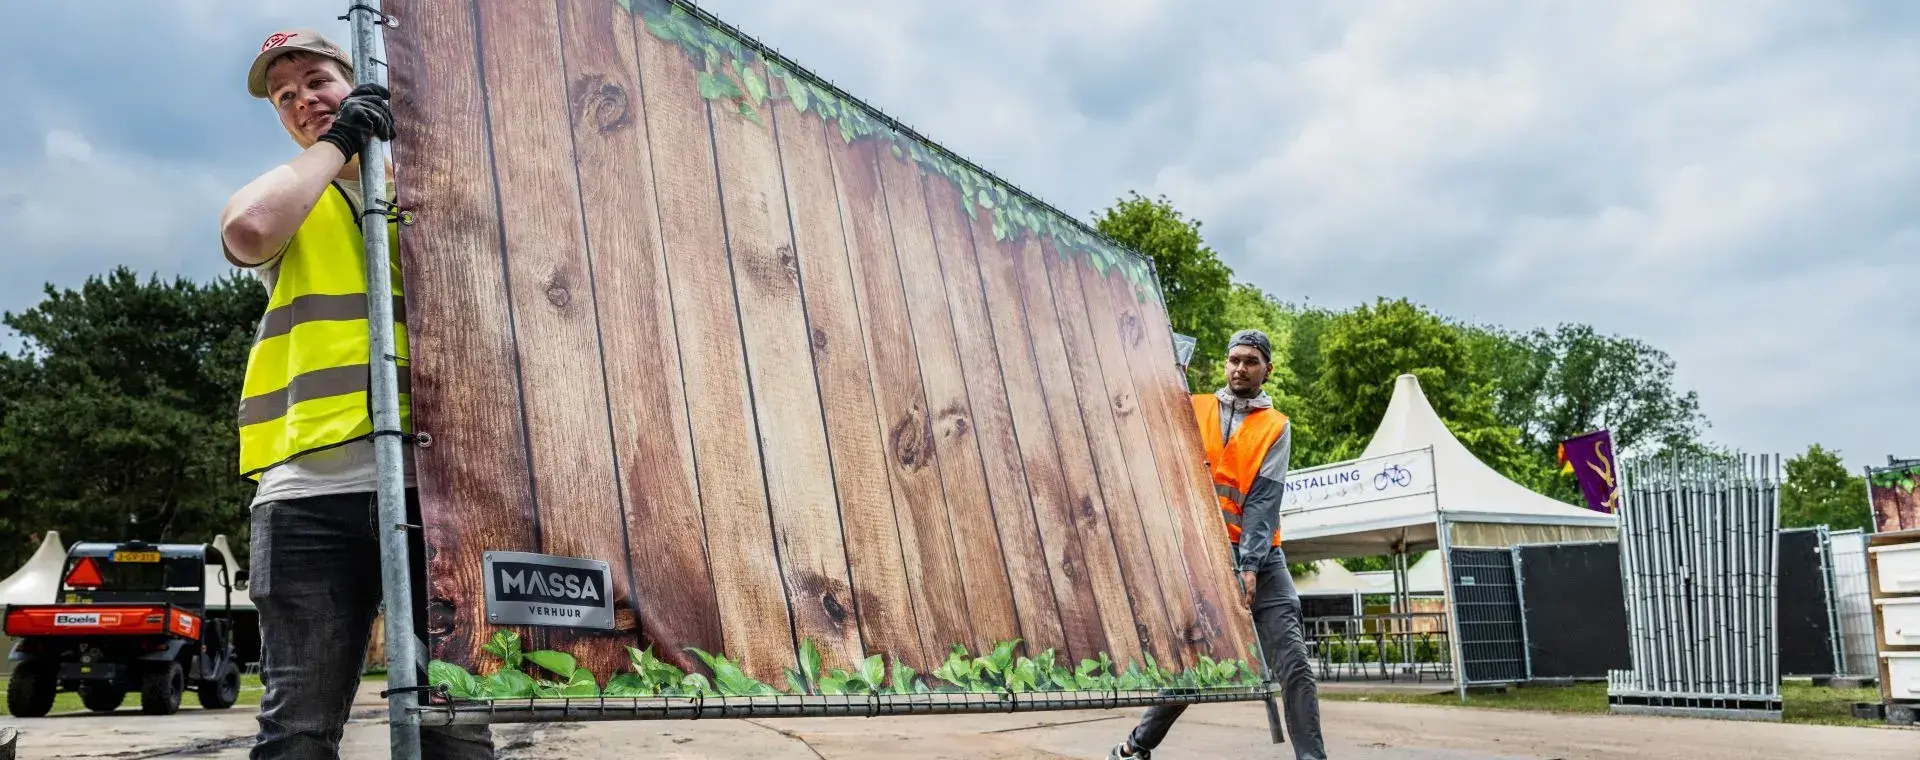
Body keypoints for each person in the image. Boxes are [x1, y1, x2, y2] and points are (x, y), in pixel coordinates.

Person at [222, 28, 495, 760]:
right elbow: (249, 230)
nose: (303, 100)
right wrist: (340, 142)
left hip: (434, 488)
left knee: (454, 722)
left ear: (359, 80)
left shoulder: (436, 194)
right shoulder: (289, 194)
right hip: (307, 492)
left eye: (318, 81)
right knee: (299, 730)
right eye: (285, 96)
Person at [1110, 329, 1326, 760]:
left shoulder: (1276, 427)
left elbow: (1263, 502)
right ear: (1225, 364)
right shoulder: (1193, 407)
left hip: (1262, 560)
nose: (1240, 368)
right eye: (1234, 360)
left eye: (1251, 361)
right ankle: (1135, 747)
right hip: (1202, 557)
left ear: (1267, 370)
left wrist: (1250, 565)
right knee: (1195, 664)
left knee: (1295, 664)